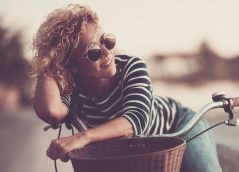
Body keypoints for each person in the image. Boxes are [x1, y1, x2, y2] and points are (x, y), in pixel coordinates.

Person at [31, 4, 222, 172]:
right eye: (93, 51)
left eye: (107, 41)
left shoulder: (132, 66)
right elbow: (52, 112)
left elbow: (135, 120)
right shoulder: (73, 90)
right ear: (72, 64)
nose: (107, 52)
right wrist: (49, 60)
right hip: (136, 153)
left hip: (179, 126)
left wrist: (82, 138)